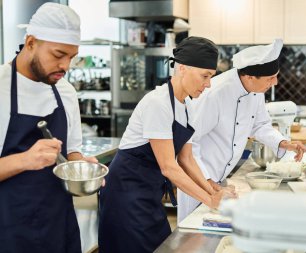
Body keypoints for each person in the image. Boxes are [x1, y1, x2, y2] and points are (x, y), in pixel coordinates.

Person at [98, 36, 225, 253]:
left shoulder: (187, 106)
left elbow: (186, 159)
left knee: (161, 247)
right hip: (125, 193)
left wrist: (212, 193)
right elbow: (169, 166)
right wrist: (209, 201)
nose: (208, 84)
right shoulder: (157, 103)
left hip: (149, 192)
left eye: (211, 77)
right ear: (183, 68)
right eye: (205, 76)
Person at [177, 39, 306, 222]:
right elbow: (189, 144)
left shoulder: (256, 91)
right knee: (193, 235)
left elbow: (260, 125)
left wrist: (284, 143)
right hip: (197, 180)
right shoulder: (214, 94)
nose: (276, 82)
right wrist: (208, 182)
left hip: (220, 180)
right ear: (249, 77)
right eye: (270, 78)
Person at [0, 3, 95, 253]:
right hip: (9, 229)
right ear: (31, 42)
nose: (66, 66)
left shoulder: (65, 91)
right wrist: (25, 160)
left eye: (71, 58)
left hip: (58, 223)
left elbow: (72, 151)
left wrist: (82, 169)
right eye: (58, 54)